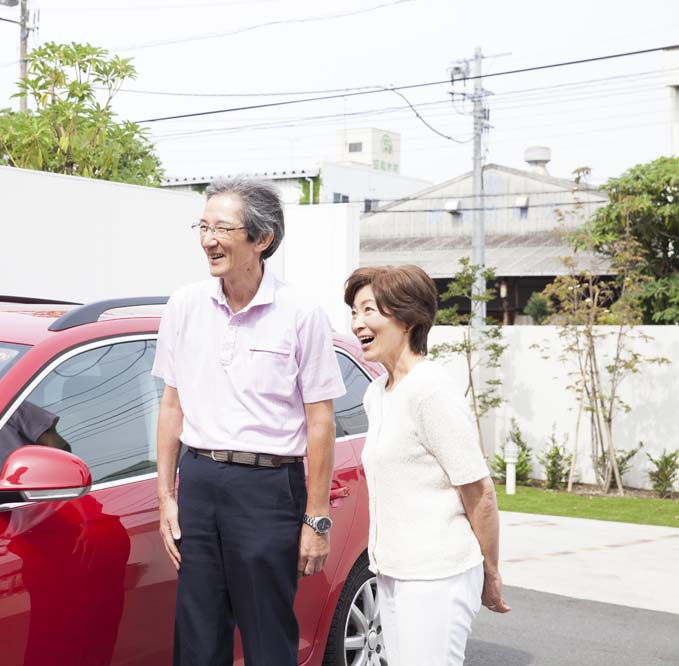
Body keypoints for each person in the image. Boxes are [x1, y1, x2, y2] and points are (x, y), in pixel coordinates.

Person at [152, 177, 346, 666]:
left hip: (268, 488)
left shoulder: (300, 313)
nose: (208, 239)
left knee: (267, 634)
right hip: (199, 481)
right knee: (196, 632)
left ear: (262, 240)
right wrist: (166, 497)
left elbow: (321, 421)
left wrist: (316, 519)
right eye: (203, 226)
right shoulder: (184, 305)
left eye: (222, 228)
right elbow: (171, 406)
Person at [344, 265, 511, 666]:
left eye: (368, 311)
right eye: (353, 312)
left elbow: (479, 493)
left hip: (438, 574)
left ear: (405, 317)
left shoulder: (430, 391)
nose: (356, 324)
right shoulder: (376, 393)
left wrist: (490, 573)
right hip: (392, 571)